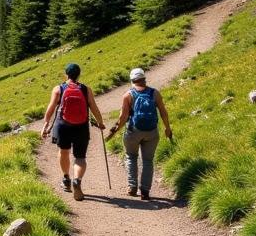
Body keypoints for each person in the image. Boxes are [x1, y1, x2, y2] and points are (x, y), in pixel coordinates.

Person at [42, 63, 107, 202]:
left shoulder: (58, 89)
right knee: (80, 157)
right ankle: (77, 180)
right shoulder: (85, 89)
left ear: (66, 74)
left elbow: (51, 108)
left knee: (63, 151)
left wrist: (46, 125)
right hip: (81, 126)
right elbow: (94, 108)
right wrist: (100, 123)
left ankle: (66, 179)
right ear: (79, 74)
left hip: (63, 125)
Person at [106, 67, 172, 200]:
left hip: (133, 131)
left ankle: (132, 187)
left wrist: (115, 130)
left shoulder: (128, 95)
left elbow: (123, 118)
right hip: (152, 132)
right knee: (148, 161)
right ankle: (145, 191)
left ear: (132, 80)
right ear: (144, 79)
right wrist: (167, 128)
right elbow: (163, 113)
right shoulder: (155, 93)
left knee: (131, 157)